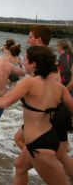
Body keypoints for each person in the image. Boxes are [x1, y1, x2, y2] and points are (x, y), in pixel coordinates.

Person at [0, 46, 73, 185]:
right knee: (20, 167)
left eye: (26, 59)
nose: (23, 62)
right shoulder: (59, 87)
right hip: (48, 137)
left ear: (34, 64)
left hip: (38, 144)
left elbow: (3, 102)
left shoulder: (28, 82)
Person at [14, 25, 73, 181]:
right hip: (44, 117)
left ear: (38, 39)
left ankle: (47, 165)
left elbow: (56, 84)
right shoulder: (39, 58)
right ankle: (44, 164)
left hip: (52, 115)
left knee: (61, 156)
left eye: (30, 36)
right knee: (21, 157)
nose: (28, 39)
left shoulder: (47, 60)